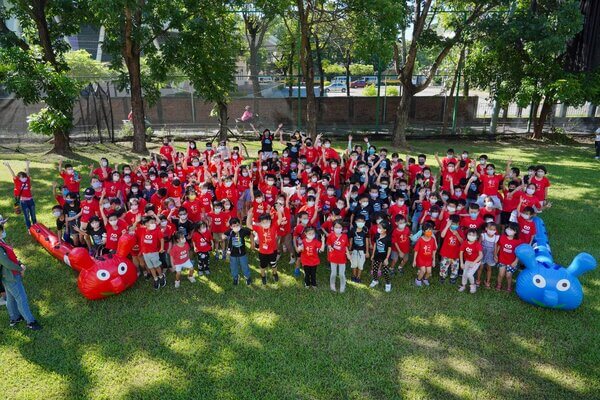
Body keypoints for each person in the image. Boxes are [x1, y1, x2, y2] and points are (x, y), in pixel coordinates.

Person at [0, 217, 42, 330]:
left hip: (8, 275)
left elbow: (10, 257)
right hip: (11, 276)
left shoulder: (1, 241)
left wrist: (19, 263)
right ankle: (30, 322)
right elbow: (6, 263)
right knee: (21, 298)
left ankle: (15, 318)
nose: (3, 229)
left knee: (11, 298)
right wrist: (20, 268)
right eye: (2, 226)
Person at [4, 161, 37, 230]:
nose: (24, 178)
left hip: (30, 200)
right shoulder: (17, 181)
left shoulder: (27, 180)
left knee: (33, 215)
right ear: (19, 178)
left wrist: (27, 164)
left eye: (24, 177)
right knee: (27, 216)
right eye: (22, 177)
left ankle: (35, 226)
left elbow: (27, 173)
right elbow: (13, 174)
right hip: (23, 202)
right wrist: (8, 166)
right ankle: (29, 228)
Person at [223, 218, 252, 286]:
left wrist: (252, 243)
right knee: (233, 266)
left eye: (237, 225)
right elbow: (223, 235)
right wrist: (224, 237)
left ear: (240, 225)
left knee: (244, 265)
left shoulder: (243, 231)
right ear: (230, 227)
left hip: (242, 253)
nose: (236, 227)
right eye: (234, 226)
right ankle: (235, 277)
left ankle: (247, 277)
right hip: (232, 254)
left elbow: (250, 233)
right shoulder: (230, 231)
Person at [326, 220, 350, 293]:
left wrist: (348, 254)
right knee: (333, 273)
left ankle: (343, 285)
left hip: (342, 258)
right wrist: (330, 247)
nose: (338, 228)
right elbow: (329, 244)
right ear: (333, 228)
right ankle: (332, 284)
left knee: (341, 274)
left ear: (342, 228)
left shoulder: (345, 236)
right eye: (336, 227)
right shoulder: (330, 235)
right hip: (333, 257)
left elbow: (346, 246)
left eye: (339, 227)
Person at [495, 222, 520, 292]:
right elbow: (499, 246)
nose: (509, 230)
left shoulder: (518, 241)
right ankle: (499, 284)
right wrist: (495, 255)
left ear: (515, 231)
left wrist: (516, 261)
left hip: (511, 261)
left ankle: (509, 287)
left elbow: (519, 253)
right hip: (502, 260)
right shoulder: (502, 237)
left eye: (511, 229)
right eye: (508, 228)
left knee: (508, 276)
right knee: (501, 274)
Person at [369, 221, 393, 292]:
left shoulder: (388, 238)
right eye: (378, 227)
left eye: (380, 228)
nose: (378, 229)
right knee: (375, 269)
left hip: (384, 257)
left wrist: (386, 258)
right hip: (377, 255)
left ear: (385, 230)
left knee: (385, 271)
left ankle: (388, 284)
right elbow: (375, 244)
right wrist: (373, 254)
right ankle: (375, 280)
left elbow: (389, 248)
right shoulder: (377, 235)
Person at [413, 222, 438, 287]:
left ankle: (425, 279)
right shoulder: (420, 240)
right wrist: (414, 260)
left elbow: (434, 250)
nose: (430, 232)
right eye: (428, 230)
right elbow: (416, 251)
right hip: (421, 258)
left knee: (429, 272)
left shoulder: (432, 239)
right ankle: (418, 280)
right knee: (423, 270)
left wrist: (434, 260)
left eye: (431, 230)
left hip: (429, 259)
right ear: (423, 231)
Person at [459, 228, 483, 294]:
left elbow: (481, 255)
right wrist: (461, 263)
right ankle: (463, 285)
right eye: (469, 234)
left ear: (477, 236)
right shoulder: (464, 243)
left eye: (473, 235)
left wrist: (474, 262)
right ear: (467, 235)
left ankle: (473, 285)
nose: (471, 236)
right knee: (464, 274)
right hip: (467, 260)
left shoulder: (477, 244)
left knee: (469, 274)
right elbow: (461, 252)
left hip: (476, 262)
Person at [477, 222, 499, 288]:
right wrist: (478, 254)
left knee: (489, 269)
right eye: (490, 229)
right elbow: (479, 244)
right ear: (486, 228)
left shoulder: (496, 237)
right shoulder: (483, 235)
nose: (492, 231)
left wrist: (495, 255)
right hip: (482, 254)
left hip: (490, 255)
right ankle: (478, 280)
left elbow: (495, 246)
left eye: (494, 230)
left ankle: (487, 281)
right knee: (480, 267)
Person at [349, 215, 369, 283]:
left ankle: (358, 277)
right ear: (355, 222)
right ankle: (354, 275)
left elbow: (366, 241)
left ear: (364, 222)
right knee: (354, 264)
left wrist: (367, 251)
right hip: (354, 250)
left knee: (360, 264)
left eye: (362, 222)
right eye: (359, 221)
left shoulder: (365, 230)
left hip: (362, 251)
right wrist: (350, 250)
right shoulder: (353, 230)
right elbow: (351, 240)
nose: (360, 223)